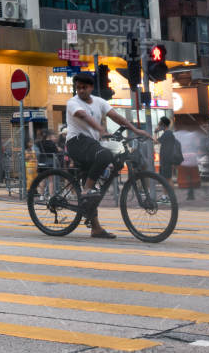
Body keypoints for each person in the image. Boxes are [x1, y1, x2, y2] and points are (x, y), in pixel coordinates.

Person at [63, 71, 154, 239]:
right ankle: (86, 191)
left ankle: (95, 228)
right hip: (77, 142)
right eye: (78, 88)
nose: (80, 91)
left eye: (84, 87)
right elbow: (83, 116)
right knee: (104, 156)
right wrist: (100, 129)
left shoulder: (99, 102)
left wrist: (135, 129)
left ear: (91, 87)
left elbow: (116, 117)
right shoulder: (72, 103)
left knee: (116, 158)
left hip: (91, 144)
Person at [157, 116, 183, 193]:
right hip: (167, 160)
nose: (158, 125)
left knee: (167, 179)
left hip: (167, 160)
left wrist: (155, 132)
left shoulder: (167, 133)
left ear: (163, 125)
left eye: (159, 124)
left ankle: (169, 196)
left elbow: (155, 141)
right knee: (166, 179)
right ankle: (167, 196)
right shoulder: (168, 133)